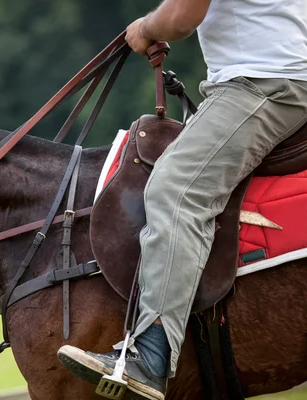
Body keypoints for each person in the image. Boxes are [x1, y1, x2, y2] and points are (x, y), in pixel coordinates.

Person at [57, 0, 307, 398]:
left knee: (176, 190)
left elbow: (179, 18)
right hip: (269, 78)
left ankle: (151, 354)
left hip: (265, 83)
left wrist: (145, 26)